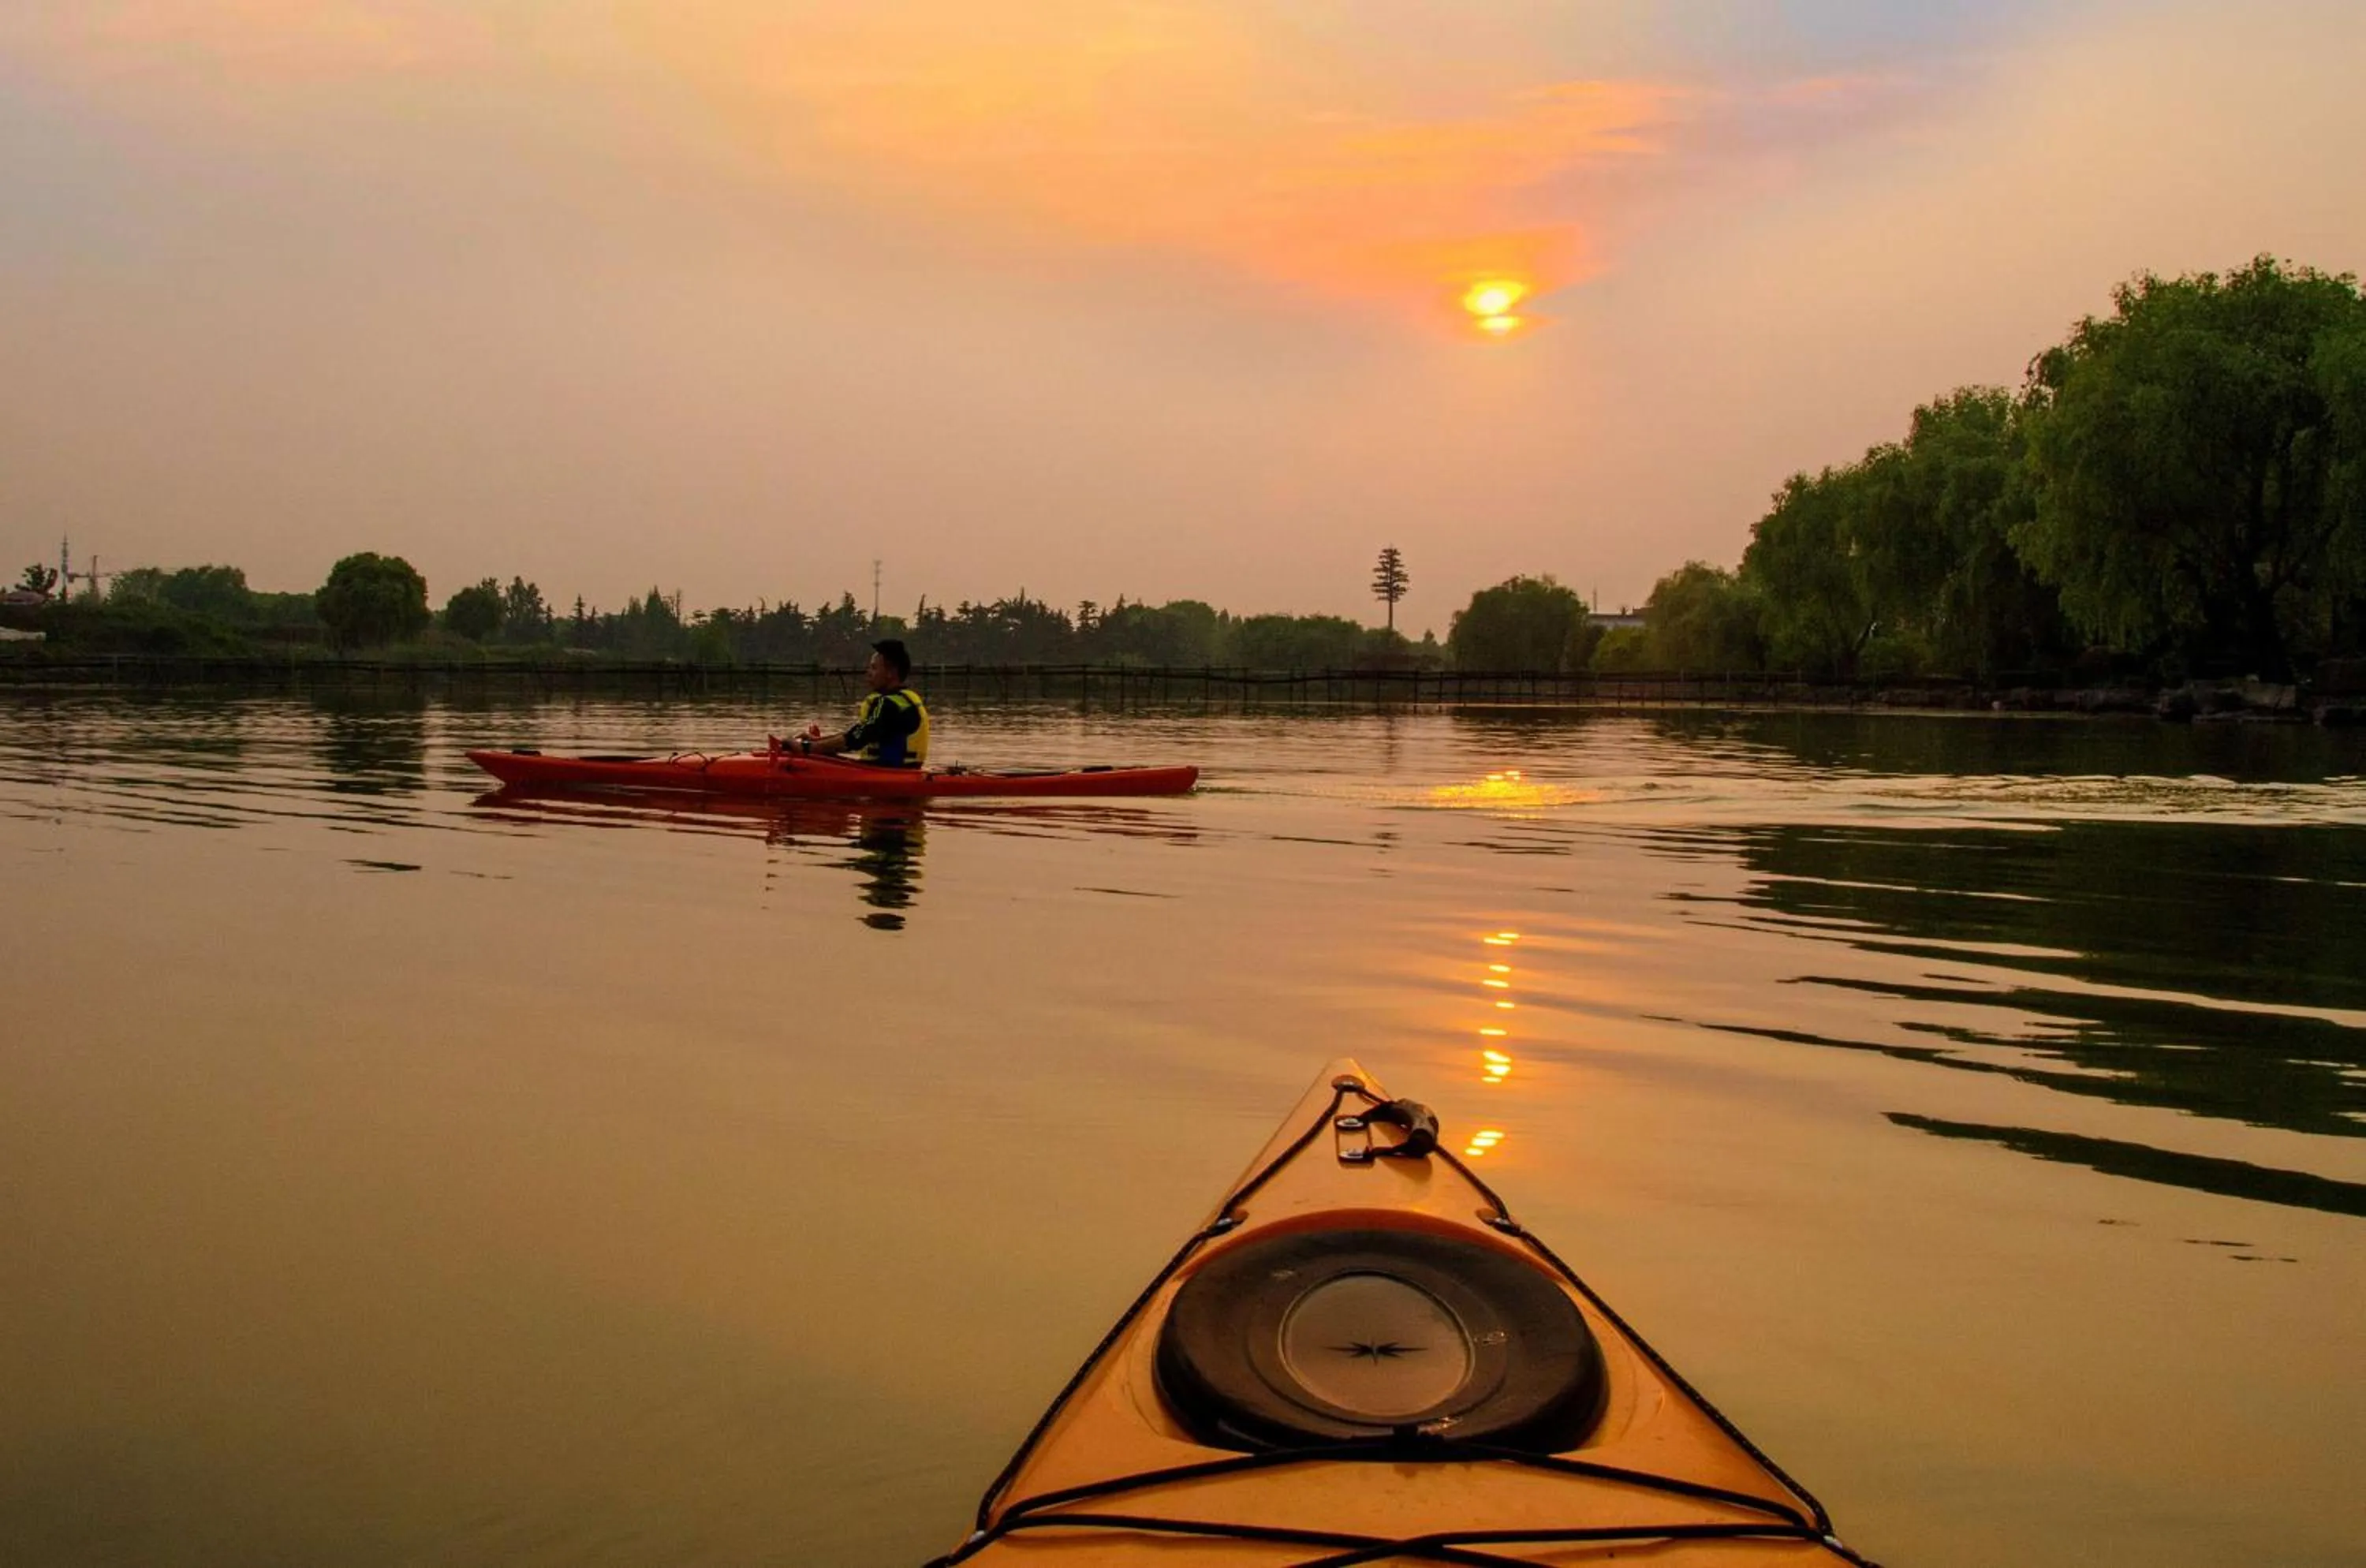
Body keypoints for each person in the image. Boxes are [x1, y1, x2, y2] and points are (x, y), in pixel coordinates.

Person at [791, 639, 930, 768]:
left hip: (887, 774)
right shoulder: (906, 699)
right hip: (900, 771)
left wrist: (807, 748)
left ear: (891, 673)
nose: (868, 673)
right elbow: (858, 732)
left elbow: (855, 739)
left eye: (874, 668)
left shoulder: (888, 704)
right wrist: (817, 741)